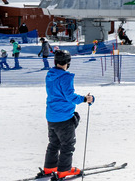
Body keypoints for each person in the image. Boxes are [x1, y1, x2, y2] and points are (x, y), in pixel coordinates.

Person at [41, 50, 94, 179]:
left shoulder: (50, 74)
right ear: (68, 62)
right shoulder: (65, 77)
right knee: (67, 144)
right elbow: (70, 96)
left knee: (54, 143)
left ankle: (50, 167)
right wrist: (85, 99)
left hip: (51, 116)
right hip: (63, 117)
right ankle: (64, 170)